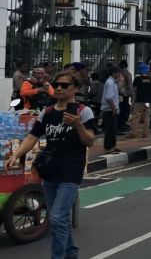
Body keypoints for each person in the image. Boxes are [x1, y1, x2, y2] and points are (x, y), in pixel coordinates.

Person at [4, 70, 97, 259]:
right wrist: (16, 155)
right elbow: (32, 137)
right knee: (59, 219)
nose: (59, 88)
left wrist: (78, 126)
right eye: (56, 85)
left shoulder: (83, 112)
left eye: (65, 85)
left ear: (75, 88)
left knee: (57, 217)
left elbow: (90, 141)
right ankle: (71, 254)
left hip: (71, 172)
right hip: (50, 171)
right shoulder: (46, 113)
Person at [131, 63, 151, 138]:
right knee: (147, 116)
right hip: (149, 101)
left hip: (140, 100)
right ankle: (145, 133)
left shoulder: (137, 79)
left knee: (136, 116)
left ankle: (134, 133)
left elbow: (135, 90)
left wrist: (133, 101)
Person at [101, 65, 122, 154]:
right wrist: (114, 109)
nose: (119, 74)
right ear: (114, 73)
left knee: (113, 129)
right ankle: (108, 147)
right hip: (109, 109)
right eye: (118, 73)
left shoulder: (112, 82)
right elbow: (109, 97)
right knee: (110, 129)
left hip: (111, 109)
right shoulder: (110, 83)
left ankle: (112, 146)